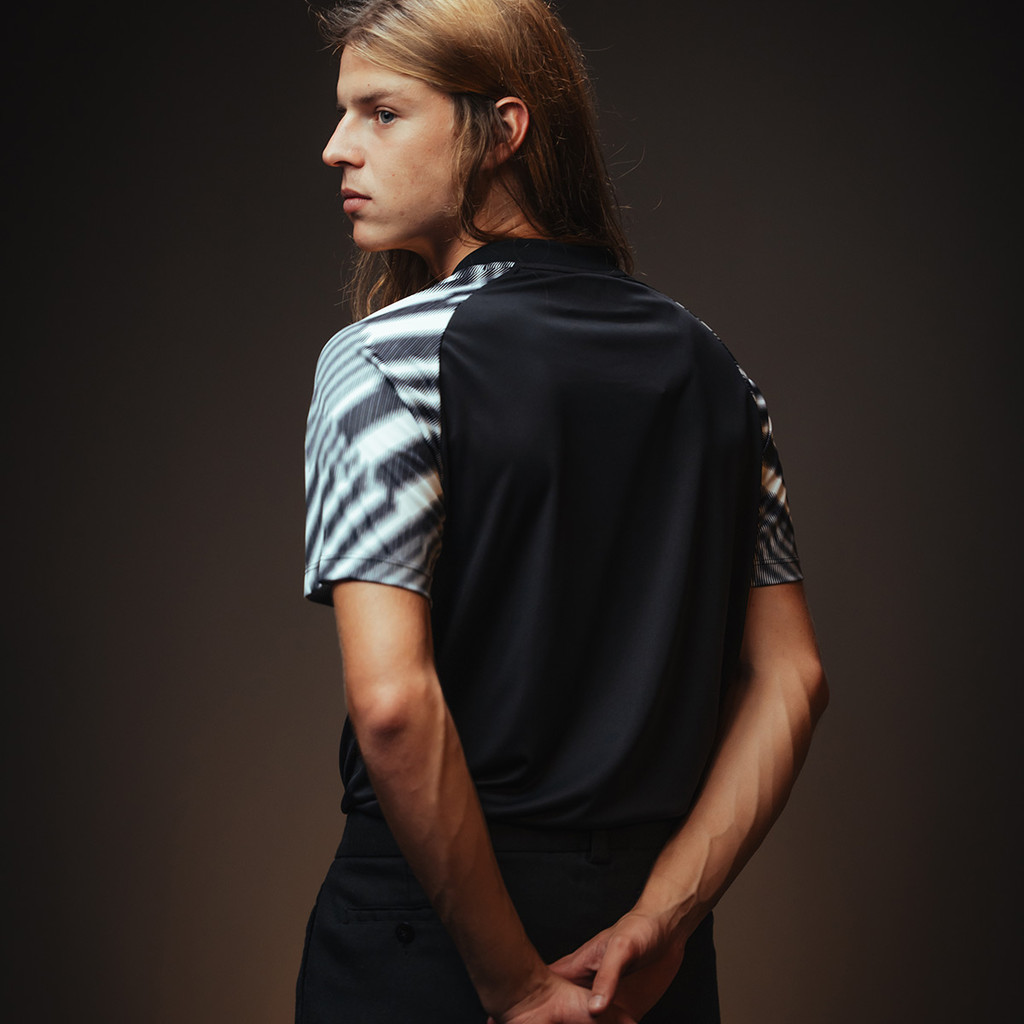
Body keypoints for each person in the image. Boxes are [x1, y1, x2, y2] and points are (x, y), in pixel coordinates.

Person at [296, 1, 828, 1021]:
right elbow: (792, 677)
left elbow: (395, 706)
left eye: (381, 113)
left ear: (502, 128)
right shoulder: (715, 372)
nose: (336, 146)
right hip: (639, 958)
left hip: (429, 938)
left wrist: (515, 986)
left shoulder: (384, 361)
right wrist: (664, 918)